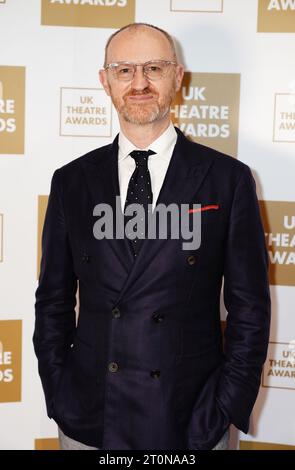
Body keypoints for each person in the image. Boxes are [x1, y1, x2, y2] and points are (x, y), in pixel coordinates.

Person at [33, 23, 271, 451]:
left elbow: (250, 309)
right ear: (105, 81)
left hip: (190, 418)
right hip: (90, 418)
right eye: (124, 70)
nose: (139, 83)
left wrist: (225, 406)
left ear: (178, 77)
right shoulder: (71, 181)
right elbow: (52, 300)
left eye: (154, 68)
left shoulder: (227, 180)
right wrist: (59, 391)